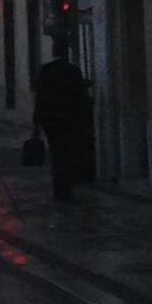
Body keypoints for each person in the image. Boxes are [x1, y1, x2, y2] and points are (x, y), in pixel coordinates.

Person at [31, 36, 92, 203]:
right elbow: (81, 98)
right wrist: (84, 120)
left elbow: (40, 97)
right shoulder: (74, 71)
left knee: (56, 153)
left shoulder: (45, 71)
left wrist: (36, 122)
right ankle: (68, 188)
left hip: (51, 121)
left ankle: (59, 188)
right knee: (68, 153)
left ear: (53, 51)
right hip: (70, 120)